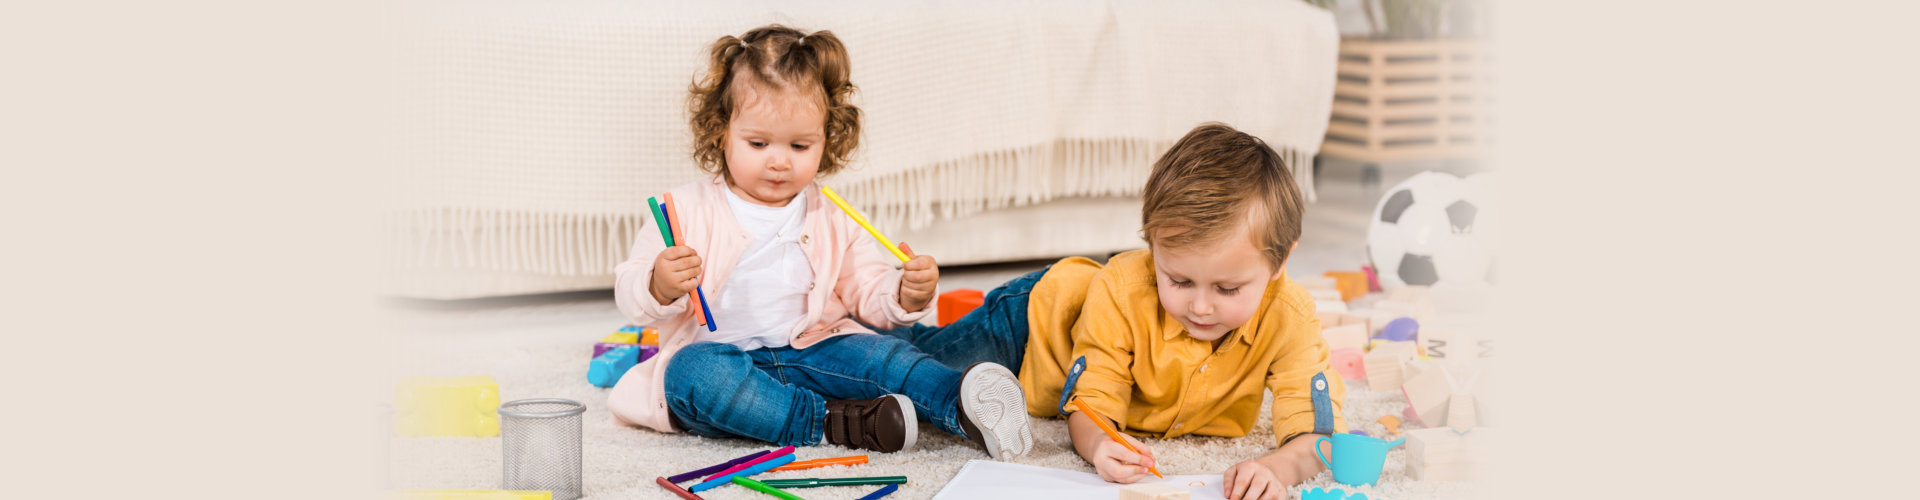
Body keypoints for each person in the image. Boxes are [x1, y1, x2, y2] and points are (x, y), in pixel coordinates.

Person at [606, 24, 1033, 460]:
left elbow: (868, 291)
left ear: (826, 139)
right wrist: (658, 284)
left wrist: (903, 293)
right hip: (728, 364)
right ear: (721, 131)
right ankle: (834, 422)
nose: (778, 161)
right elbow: (631, 291)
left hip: (817, 348)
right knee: (691, 375)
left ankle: (961, 403)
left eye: (799, 145)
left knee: (883, 355)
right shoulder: (682, 208)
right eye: (757, 143)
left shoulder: (833, 214)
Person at [879, 123, 1345, 499]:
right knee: (904, 363)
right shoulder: (1123, 291)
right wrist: (1100, 442)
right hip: (1030, 327)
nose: (1200, 306)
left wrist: (1276, 468)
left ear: (1281, 262)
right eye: (1178, 280)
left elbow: (1317, 437)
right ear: (1151, 248)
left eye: (1227, 288)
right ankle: (837, 321)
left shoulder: (1292, 318)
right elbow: (1092, 406)